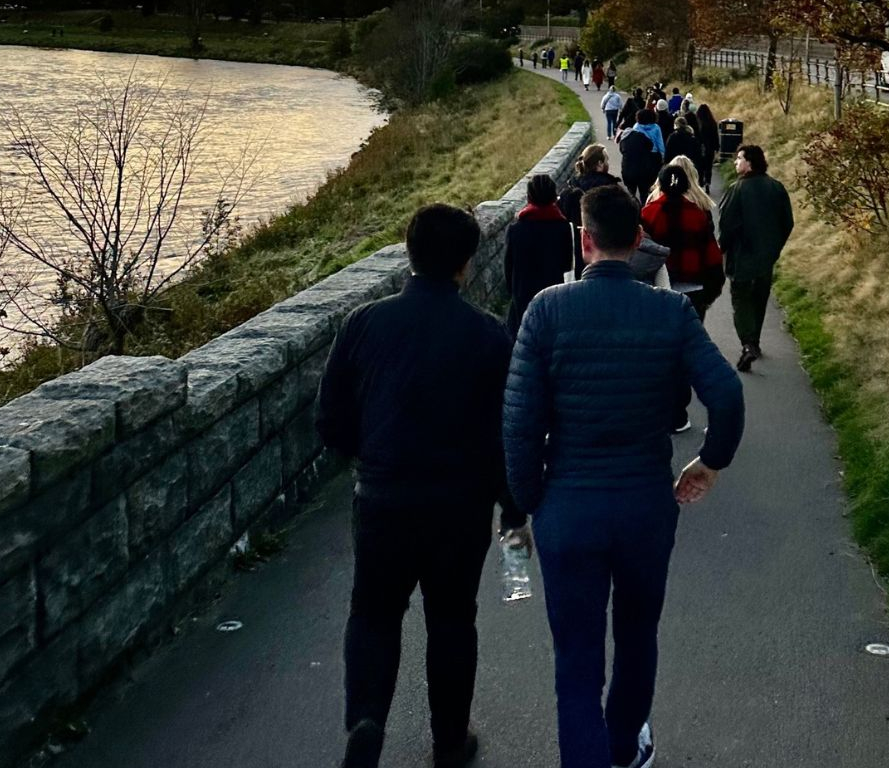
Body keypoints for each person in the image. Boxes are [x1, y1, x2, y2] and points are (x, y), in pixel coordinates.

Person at [503, 184, 745, 768]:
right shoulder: (670, 311)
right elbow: (727, 396)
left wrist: (533, 503)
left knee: (577, 659)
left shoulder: (545, 311)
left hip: (569, 508)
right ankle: (623, 745)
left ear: (583, 241)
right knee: (638, 636)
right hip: (643, 506)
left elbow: (517, 425)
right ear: (638, 240)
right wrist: (709, 462)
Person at [316, 204, 527, 768]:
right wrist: (512, 507)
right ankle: (451, 743)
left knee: (374, 613)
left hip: (384, 498)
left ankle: (365, 717)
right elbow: (507, 432)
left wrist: (369, 459)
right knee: (453, 619)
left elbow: (329, 421)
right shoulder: (489, 336)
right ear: (465, 264)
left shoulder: (363, 323)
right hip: (459, 508)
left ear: (409, 252)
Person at [641, 163, 725, 431]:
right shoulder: (698, 215)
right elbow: (712, 257)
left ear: (661, 184)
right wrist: (711, 291)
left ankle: (661, 408)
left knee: (659, 352)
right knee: (687, 351)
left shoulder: (649, 213)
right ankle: (680, 411)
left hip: (659, 291)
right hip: (693, 292)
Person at [718, 144, 795, 372]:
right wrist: (774, 248)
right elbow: (787, 223)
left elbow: (727, 225)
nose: (735, 162)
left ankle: (748, 343)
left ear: (749, 162)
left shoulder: (737, 189)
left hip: (742, 257)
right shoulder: (777, 188)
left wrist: (722, 249)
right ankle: (756, 342)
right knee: (759, 299)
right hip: (766, 258)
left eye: (739, 158)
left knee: (741, 301)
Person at [504, 174, 575, 335]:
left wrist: (513, 292)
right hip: (553, 296)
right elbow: (567, 264)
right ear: (554, 196)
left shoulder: (516, 229)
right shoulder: (563, 227)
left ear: (529, 197)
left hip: (523, 296)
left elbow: (509, 268)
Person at [559, 144, 622, 276]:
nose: (608, 163)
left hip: (576, 245)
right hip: (602, 244)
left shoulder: (572, 186)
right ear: (599, 164)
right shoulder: (608, 187)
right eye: (606, 159)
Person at [618, 110, 663, 204]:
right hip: (653, 156)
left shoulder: (636, 127)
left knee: (631, 192)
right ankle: (645, 206)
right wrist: (662, 155)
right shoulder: (656, 127)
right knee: (645, 189)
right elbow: (660, 143)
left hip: (638, 157)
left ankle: (633, 205)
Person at [694, 104, 720, 191]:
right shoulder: (712, 123)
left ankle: (700, 182)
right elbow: (715, 136)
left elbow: (695, 136)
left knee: (700, 167)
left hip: (699, 149)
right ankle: (708, 182)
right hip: (710, 148)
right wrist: (717, 147)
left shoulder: (697, 123)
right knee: (709, 167)